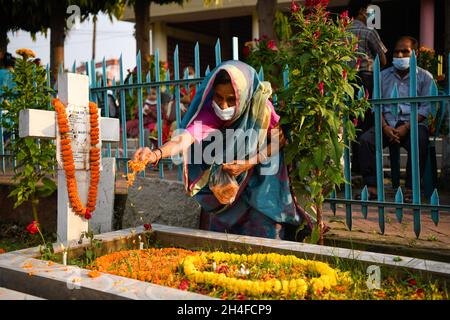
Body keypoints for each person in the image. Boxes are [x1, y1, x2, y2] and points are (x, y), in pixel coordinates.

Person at [134, 60, 315, 241]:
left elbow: (279, 140)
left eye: (231, 99)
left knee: (263, 235)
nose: (224, 106)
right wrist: (156, 154)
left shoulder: (260, 107)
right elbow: (184, 139)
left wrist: (248, 163)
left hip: (261, 183)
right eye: (218, 97)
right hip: (227, 187)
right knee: (223, 241)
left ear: (244, 96)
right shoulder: (210, 112)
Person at [358, 36, 433, 201]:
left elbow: (426, 108)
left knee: (420, 141)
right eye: (396, 51)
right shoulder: (383, 76)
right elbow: (376, 106)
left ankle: (410, 189)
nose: (399, 55)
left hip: (413, 124)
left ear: (416, 53)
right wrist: (384, 127)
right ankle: (372, 187)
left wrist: (406, 127)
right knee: (366, 140)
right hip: (387, 124)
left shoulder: (425, 77)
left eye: (404, 51)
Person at [347, 0, 388, 173]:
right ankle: (363, 169)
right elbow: (383, 59)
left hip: (346, 82)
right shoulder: (368, 31)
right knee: (366, 124)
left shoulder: (342, 31)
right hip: (366, 80)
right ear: (362, 11)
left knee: (350, 124)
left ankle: (353, 169)